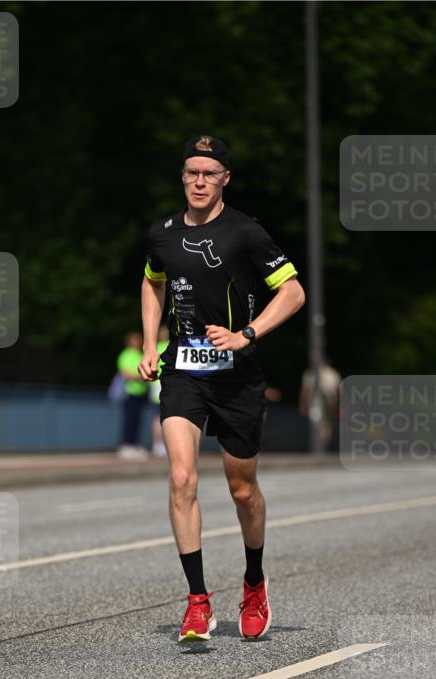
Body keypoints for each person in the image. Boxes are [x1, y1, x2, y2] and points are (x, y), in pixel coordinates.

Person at [139, 134, 305, 642]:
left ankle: (254, 582)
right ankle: (197, 602)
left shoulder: (246, 233)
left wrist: (245, 335)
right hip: (184, 370)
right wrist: (150, 342)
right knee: (182, 478)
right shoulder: (162, 233)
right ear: (182, 176)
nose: (199, 181)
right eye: (191, 172)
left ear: (224, 179)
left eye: (209, 173)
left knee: (241, 489)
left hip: (237, 377)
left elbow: (293, 293)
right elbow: (152, 282)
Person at [116, 331, 148, 459]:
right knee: (129, 419)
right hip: (129, 393)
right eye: (135, 340)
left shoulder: (140, 354)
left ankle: (133, 444)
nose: (138, 342)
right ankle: (126, 445)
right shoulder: (125, 355)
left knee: (137, 420)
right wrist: (141, 377)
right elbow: (126, 373)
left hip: (140, 393)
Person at [149, 324, 169, 457]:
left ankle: (158, 444)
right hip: (167, 383)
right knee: (169, 416)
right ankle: (166, 445)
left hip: (155, 385)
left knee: (157, 417)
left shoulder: (154, 348)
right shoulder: (170, 346)